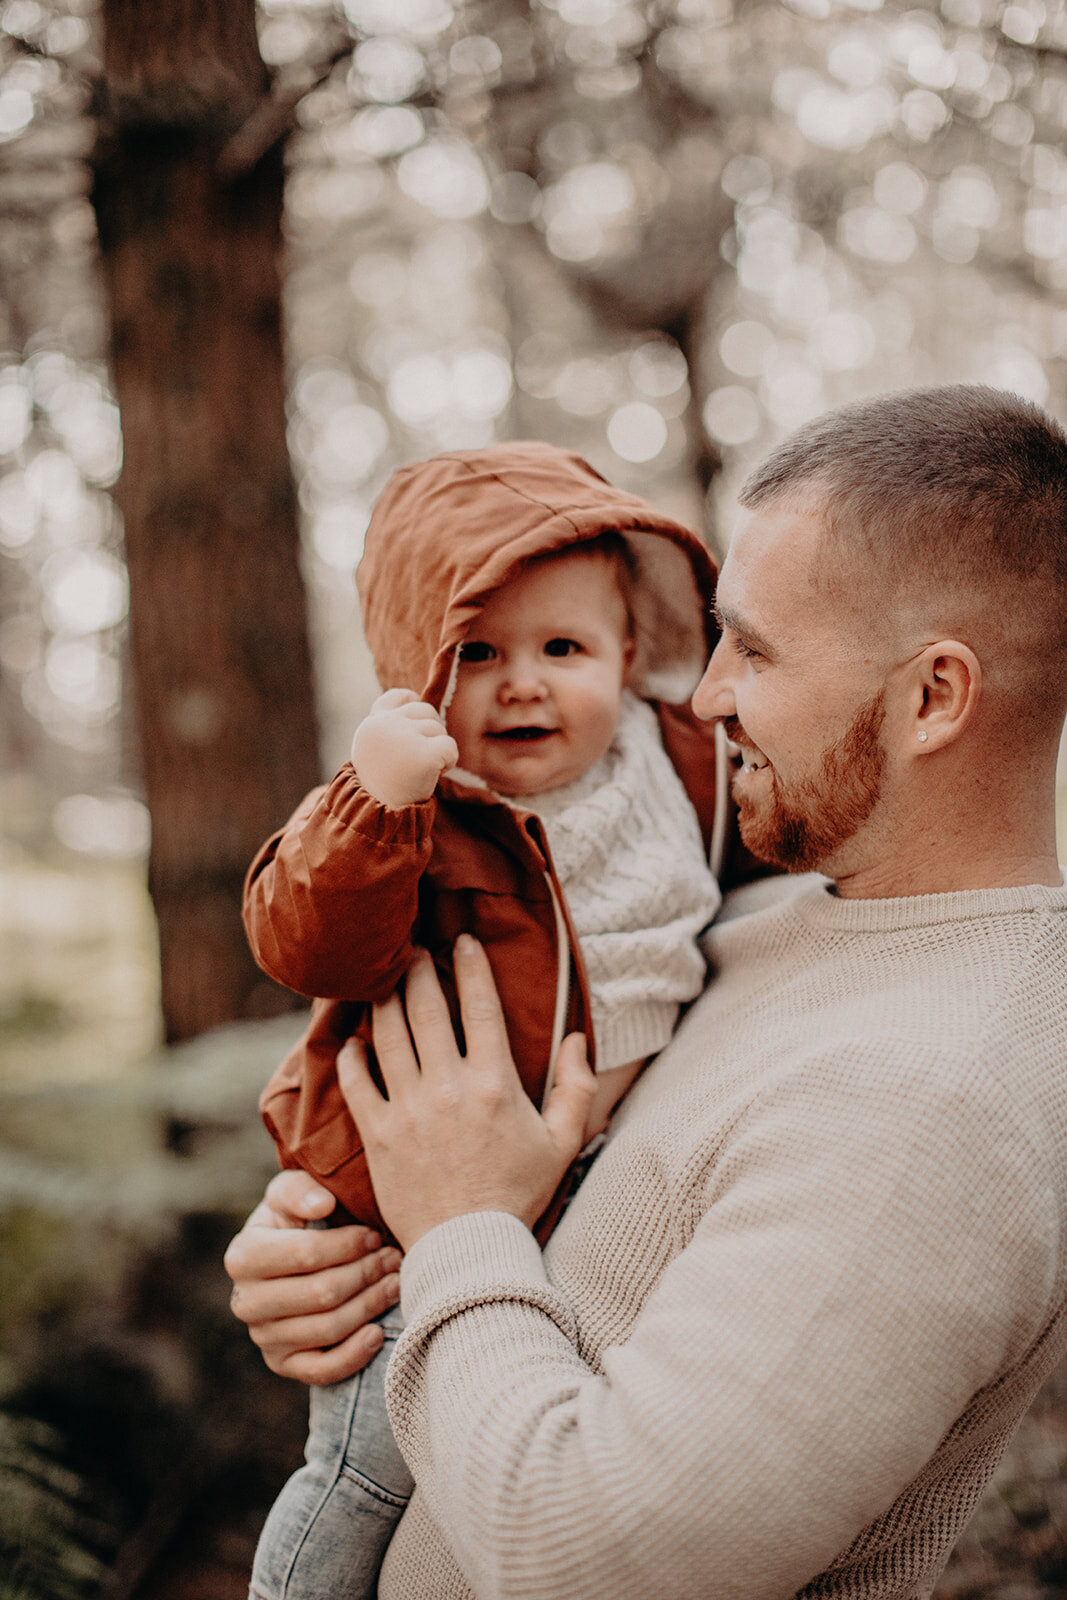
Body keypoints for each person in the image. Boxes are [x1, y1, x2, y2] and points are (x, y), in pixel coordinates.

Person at [226, 385, 1067, 1600]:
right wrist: (329, 1252)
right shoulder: (756, 921)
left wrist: (461, 1226)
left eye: (756, 650)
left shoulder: (932, 1106)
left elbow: (594, 1562)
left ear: (931, 696)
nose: (703, 695)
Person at [240, 442, 728, 1599]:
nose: (521, 682)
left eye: (564, 648)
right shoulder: (421, 818)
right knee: (369, 1473)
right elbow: (304, 943)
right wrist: (375, 801)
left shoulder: (683, 770)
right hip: (394, 1215)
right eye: (476, 653)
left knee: (498, 1464)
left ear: (631, 650)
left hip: (571, 1187)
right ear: (416, 672)